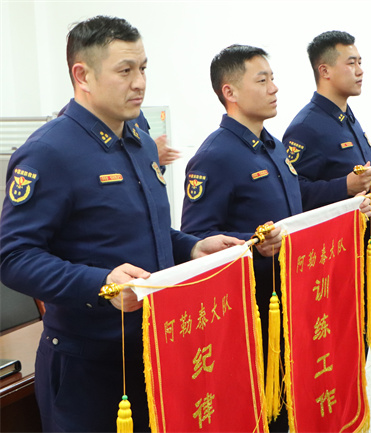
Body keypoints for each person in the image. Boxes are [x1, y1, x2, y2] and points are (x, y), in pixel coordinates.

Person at [0, 16, 242, 432]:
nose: (140, 83)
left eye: (143, 68)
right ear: (83, 76)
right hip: (87, 364)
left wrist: (191, 247)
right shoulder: (49, 151)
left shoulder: (140, 142)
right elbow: (14, 257)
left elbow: (145, 230)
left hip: (152, 348)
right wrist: (102, 285)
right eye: (125, 70)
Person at [180, 44, 301, 432]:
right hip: (251, 311)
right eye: (262, 80)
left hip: (288, 300)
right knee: (262, 412)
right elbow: (195, 238)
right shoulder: (215, 156)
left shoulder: (274, 147)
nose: (274, 88)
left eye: (273, 79)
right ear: (229, 91)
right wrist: (253, 242)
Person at [282, 30, 371, 212]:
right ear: (325, 71)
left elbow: (366, 183)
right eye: (351, 63)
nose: (360, 71)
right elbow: (291, 193)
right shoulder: (305, 127)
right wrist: (344, 186)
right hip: (337, 230)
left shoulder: (347, 118)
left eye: (360, 62)